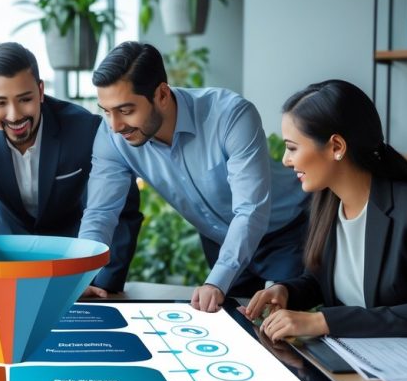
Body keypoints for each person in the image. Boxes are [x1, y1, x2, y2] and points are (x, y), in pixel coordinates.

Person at [79, 41, 309, 311]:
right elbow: (100, 213)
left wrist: (216, 281)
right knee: (235, 329)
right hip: (221, 241)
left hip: (286, 233)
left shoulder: (230, 115)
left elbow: (251, 210)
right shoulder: (113, 136)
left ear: (162, 94)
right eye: (106, 111)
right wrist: (79, 276)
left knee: (282, 333)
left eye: (126, 111)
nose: (115, 126)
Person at [240, 79, 407, 340]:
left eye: (292, 148)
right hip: (349, 359)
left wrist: (324, 321)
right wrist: (286, 291)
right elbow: (320, 281)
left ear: (336, 147)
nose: (286, 160)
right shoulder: (325, 203)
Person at [0, 42, 142, 294]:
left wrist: (101, 284)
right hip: (6, 256)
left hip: (72, 256)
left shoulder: (84, 129)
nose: (14, 115)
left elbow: (122, 210)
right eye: (0, 103)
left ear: (40, 90)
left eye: (25, 99)